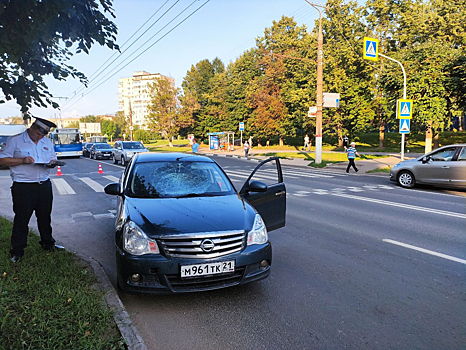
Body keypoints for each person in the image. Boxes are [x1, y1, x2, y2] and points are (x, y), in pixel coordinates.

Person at [0, 117, 63, 263]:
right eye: (38, 134)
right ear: (32, 127)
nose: (40, 138)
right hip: (24, 186)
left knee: (45, 216)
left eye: (43, 135)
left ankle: (48, 243)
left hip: (44, 185)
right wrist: (22, 160)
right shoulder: (15, 140)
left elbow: (51, 158)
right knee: (22, 219)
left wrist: (52, 163)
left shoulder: (46, 142)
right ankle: (17, 251)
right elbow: (2, 160)